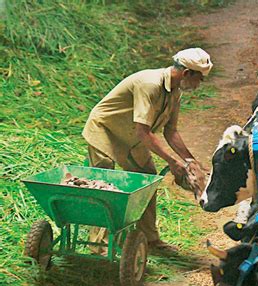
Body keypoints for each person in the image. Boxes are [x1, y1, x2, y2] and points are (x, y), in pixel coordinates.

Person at [82, 48, 212, 251]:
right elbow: (144, 132)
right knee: (104, 184)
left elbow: (171, 131)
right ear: (187, 73)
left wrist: (190, 160)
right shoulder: (150, 84)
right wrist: (173, 162)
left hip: (130, 136)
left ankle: (150, 239)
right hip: (105, 130)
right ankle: (99, 245)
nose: (199, 85)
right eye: (200, 79)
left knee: (147, 180)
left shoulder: (175, 92)